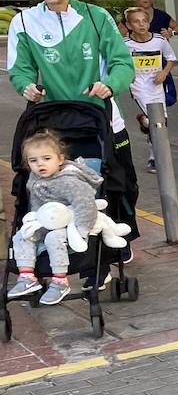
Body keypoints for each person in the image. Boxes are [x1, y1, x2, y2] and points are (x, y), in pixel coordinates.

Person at [7, 0, 140, 256]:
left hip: (102, 119)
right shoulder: (25, 21)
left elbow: (121, 62)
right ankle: (72, 254)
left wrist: (111, 84)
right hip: (54, 125)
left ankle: (116, 242)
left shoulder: (96, 17)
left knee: (120, 183)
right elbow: (20, 68)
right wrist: (26, 85)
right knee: (58, 190)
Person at [7, 130, 101, 306]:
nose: (40, 164)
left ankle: (59, 281)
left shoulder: (69, 181)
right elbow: (35, 203)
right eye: (33, 161)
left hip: (69, 223)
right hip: (45, 219)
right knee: (22, 235)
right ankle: (27, 276)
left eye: (46, 159)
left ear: (60, 159)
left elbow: (85, 205)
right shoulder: (34, 179)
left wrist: (81, 230)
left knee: (53, 237)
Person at [123, 5, 176, 173]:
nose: (141, 25)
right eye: (136, 22)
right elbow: (117, 62)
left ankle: (144, 122)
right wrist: (127, 74)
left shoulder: (159, 40)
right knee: (157, 122)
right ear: (129, 25)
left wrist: (164, 72)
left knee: (160, 123)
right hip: (139, 87)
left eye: (144, 21)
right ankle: (155, 159)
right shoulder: (125, 44)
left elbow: (171, 58)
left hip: (157, 86)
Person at [122, 0, 178, 106]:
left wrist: (171, 32)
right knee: (148, 106)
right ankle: (149, 119)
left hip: (160, 64)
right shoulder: (129, 19)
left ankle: (146, 120)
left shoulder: (161, 16)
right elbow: (116, 38)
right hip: (139, 71)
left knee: (169, 99)